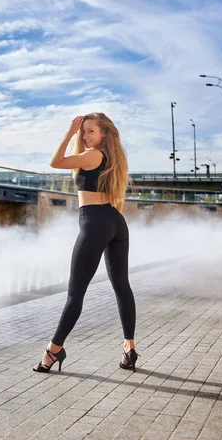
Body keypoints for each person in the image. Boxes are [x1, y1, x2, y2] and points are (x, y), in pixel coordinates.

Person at [33, 113, 138, 373]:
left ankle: (53, 351)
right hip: (115, 221)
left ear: (103, 135)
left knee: (75, 293)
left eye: (91, 131)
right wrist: (77, 136)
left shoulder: (93, 155)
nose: (85, 136)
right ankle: (129, 348)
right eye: (84, 131)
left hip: (95, 224)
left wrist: (69, 132)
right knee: (122, 286)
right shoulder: (109, 156)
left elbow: (55, 161)